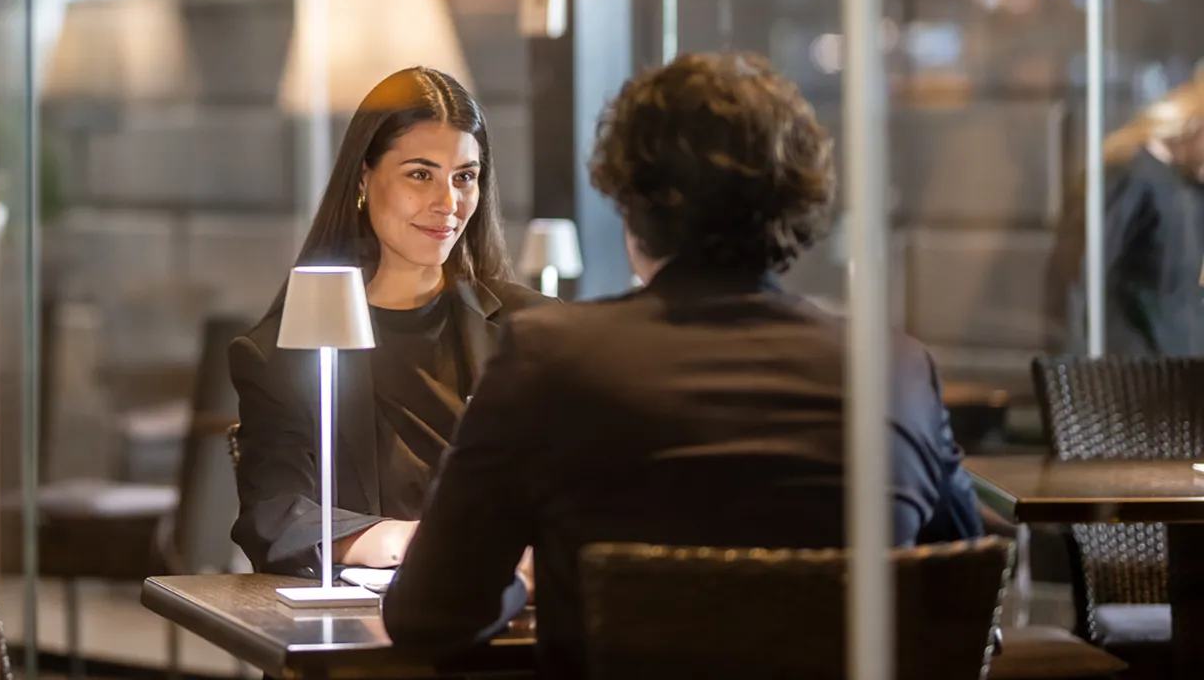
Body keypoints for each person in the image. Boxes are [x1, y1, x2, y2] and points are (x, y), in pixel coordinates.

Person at [383, 53, 983, 677]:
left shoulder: (550, 360)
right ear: (796, 201)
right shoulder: (895, 371)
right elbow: (967, 586)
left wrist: (524, 580)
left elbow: (430, 616)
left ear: (631, 201)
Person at [229, 66, 547, 576]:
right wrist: (412, 541)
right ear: (363, 178)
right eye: (420, 174)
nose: (448, 204)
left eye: (464, 177)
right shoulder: (285, 350)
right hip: (375, 612)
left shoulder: (533, 328)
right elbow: (278, 516)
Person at [1054, 73, 1204, 356]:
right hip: (1139, 359)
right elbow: (1089, 277)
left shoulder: (1188, 186)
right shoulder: (1133, 175)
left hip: (1179, 358)